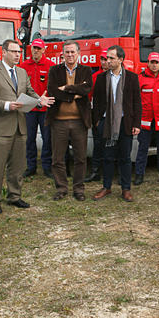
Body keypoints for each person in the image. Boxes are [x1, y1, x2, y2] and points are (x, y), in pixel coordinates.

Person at [0, 40, 52, 213]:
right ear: (4, 52)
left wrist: (40, 101)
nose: (18, 55)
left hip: (20, 126)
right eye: (14, 51)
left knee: (18, 166)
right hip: (0, 127)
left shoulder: (21, 72)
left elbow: (29, 91)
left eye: (19, 51)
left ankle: (14, 196)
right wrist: (5, 105)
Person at [92, 45, 141, 202]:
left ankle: (126, 189)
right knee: (107, 157)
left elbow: (137, 103)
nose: (108, 61)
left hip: (125, 123)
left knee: (125, 157)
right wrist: (98, 121)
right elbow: (97, 102)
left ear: (121, 59)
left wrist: (137, 123)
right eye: (107, 58)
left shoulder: (132, 78)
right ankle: (106, 187)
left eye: (111, 58)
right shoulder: (101, 78)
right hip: (106, 124)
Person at [46, 41, 93, 201]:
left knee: (80, 158)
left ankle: (79, 189)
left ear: (78, 53)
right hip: (59, 121)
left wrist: (66, 88)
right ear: (63, 54)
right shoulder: (54, 70)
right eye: (67, 52)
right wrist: (75, 93)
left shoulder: (86, 70)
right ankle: (61, 188)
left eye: (73, 52)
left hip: (80, 121)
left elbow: (87, 89)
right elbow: (53, 91)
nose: (70, 55)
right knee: (57, 158)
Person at [134, 52, 159, 185]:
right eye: (152, 62)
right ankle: (139, 175)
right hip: (145, 121)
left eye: (157, 62)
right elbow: (136, 98)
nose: (154, 65)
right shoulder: (140, 78)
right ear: (148, 63)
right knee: (143, 148)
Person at [20, 38, 54, 178]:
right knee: (29, 139)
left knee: (47, 139)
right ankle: (31, 166)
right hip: (29, 109)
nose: (36, 51)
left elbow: (52, 87)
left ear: (44, 50)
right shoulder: (23, 66)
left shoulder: (50, 65)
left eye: (39, 48)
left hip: (45, 109)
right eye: (34, 48)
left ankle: (47, 167)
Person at [86, 50, 109, 183]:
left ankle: (108, 172)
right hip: (98, 118)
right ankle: (95, 171)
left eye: (107, 59)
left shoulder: (117, 76)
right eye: (102, 59)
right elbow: (89, 99)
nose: (104, 62)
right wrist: (92, 118)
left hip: (112, 118)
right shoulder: (95, 77)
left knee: (110, 146)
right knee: (98, 144)